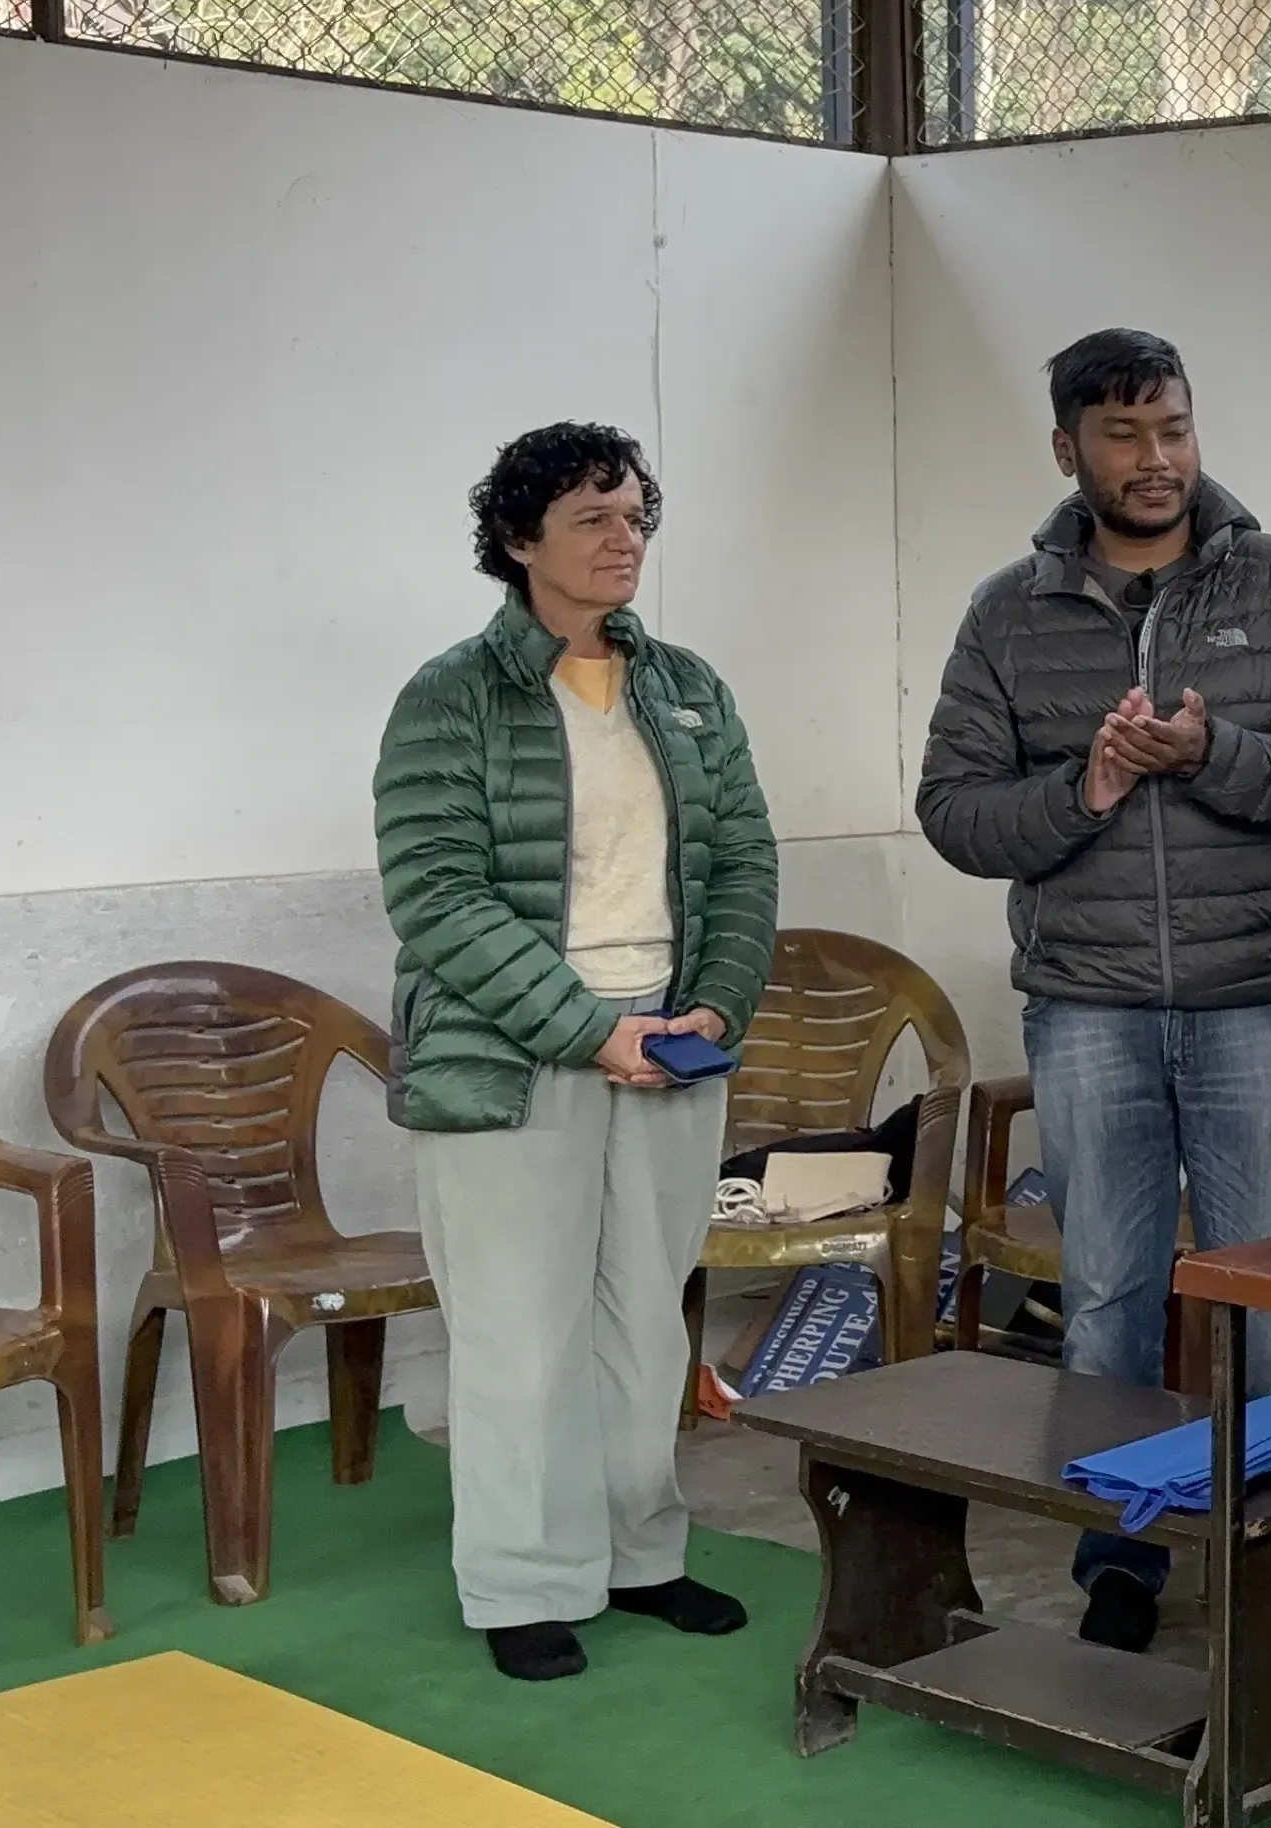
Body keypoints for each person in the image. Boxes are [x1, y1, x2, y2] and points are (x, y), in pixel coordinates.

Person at [915, 327, 1271, 1650]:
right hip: (1089, 1011)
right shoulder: (1009, 611)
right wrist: (1093, 787)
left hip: (1259, 1005)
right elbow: (953, 812)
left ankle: (1268, 1561)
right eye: (1124, 436)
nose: (1157, 457)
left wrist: (1210, 751)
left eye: (1173, 428)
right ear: (1070, 451)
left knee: (1268, 1303)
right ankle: (1117, 1567)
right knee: (1109, 1306)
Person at [376, 423, 779, 1682]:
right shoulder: (454, 694)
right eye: (594, 520)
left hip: (671, 1045)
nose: (625, 542)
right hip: (513, 1059)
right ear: (518, 542)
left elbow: (746, 862)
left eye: (635, 517)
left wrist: (712, 1009)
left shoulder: (689, 687)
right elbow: (435, 895)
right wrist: (587, 1030)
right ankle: (522, 1584)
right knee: (518, 1331)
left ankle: (640, 1555)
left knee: (645, 1323)